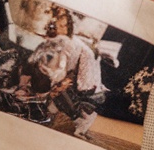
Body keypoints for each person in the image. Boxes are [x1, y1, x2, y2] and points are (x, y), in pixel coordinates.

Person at [30, 8, 106, 138]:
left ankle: (77, 118)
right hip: (78, 83)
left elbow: (64, 69)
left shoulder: (70, 43)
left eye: (64, 26)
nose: (62, 29)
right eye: (59, 26)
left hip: (82, 86)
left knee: (60, 90)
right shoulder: (66, 42)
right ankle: (49, 111)